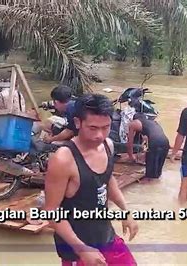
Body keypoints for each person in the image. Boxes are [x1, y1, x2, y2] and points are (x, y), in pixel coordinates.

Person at [44, 93, 138, 266]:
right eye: (93, 128)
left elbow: (107, 181)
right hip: (77, 250)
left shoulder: (107, 145)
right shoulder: (63, 159)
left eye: (106, 127)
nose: (100, 135)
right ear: (78, 123)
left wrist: (126, 212)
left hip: (106, 237)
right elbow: (51, 211)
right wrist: (82, 250)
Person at [127, 113, 170, 183]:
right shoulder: (153, 123)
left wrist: (131, 156)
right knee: (157, 175)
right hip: (165, 142)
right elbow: (147, 139)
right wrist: (145, 154)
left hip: (155, 142)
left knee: (148, 178)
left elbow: (130, 141)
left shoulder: (134, 123)